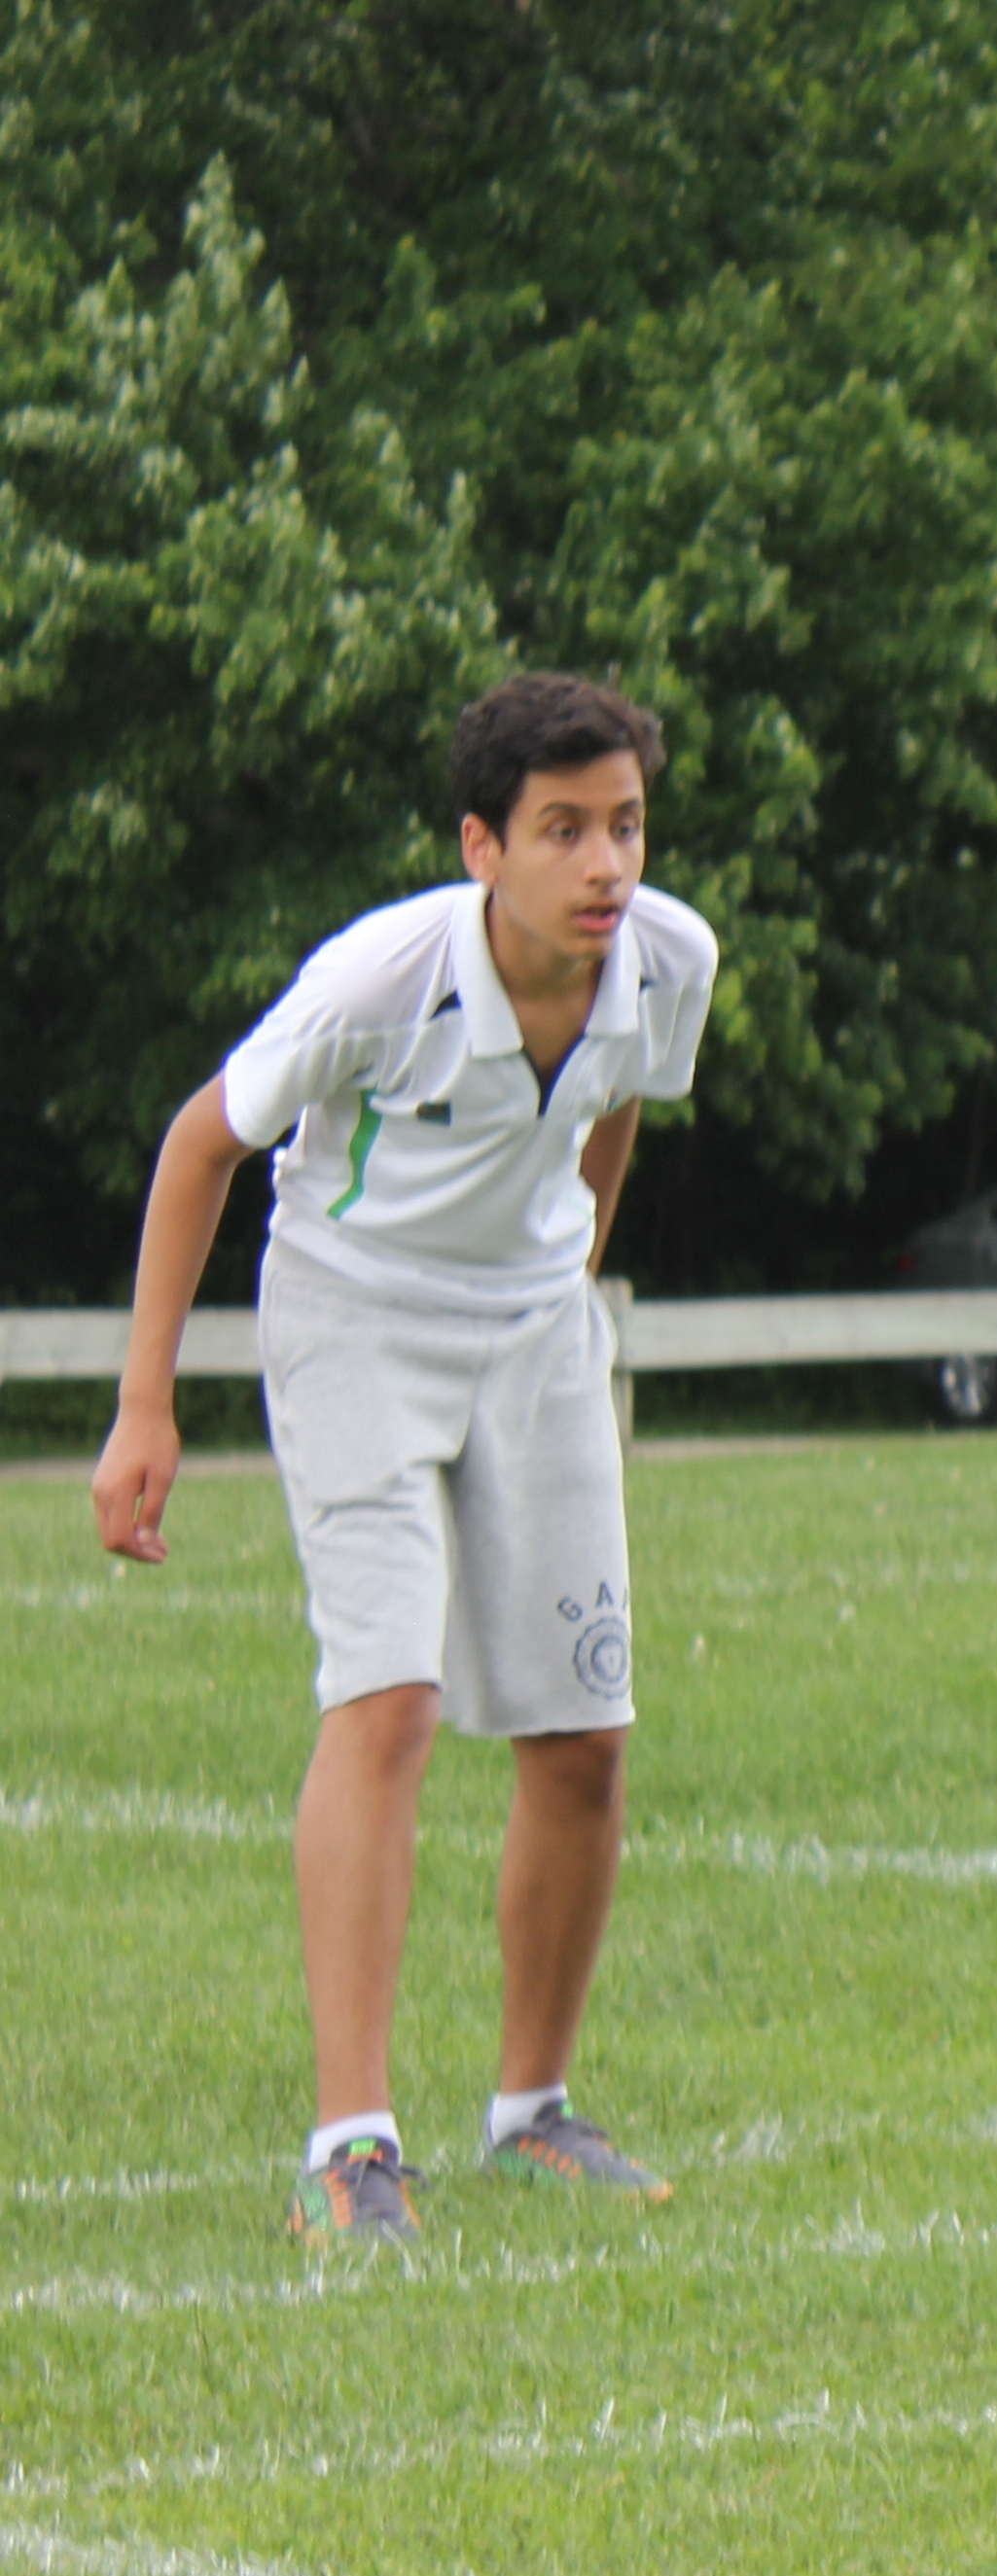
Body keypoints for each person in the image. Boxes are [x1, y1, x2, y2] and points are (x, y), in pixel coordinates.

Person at [90, 674, 719, 2250]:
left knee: (584, 1734)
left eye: (624, 826)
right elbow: (199, 1143)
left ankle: (534, 2114)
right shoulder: (379, 978)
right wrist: (145, 1406)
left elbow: (616, 1110)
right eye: (562, 830)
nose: (603, 867)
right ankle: (351, 2145)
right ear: (480, 845)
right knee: (389, 1700)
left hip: (534, 1328)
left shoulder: (669, 960)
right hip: (353, 1316)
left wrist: (567, 1278)